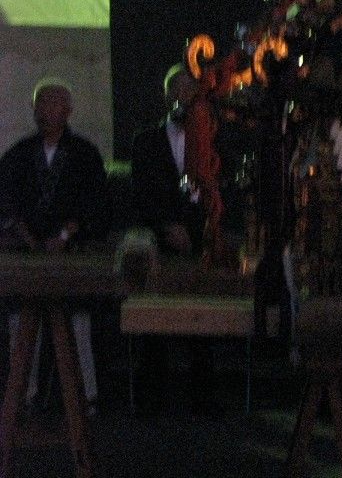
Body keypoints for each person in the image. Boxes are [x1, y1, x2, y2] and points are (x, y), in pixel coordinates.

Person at [0, 78, 109, 413]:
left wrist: (65, 235)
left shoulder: (85, 155)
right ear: (34, 110)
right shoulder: (18, 155)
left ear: (68, 109)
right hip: (28, 253)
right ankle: (24, 394)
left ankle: (84, 395)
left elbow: (95, 204)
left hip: (70, 253)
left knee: (77, 321)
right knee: (20, 320)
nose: (47, 109)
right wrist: (28, 238)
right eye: (42, 103)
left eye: (55, 102)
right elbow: (6, 202)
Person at [129, 65, 221, 416]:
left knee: (204, 318)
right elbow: (143, 192)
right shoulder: (147, 141)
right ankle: (154, 399)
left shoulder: (210, 137)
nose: (185, 97)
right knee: (154, 317)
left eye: (191, 90)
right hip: (160, 240)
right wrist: (167, 225)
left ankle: (203, 397)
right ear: (167, 95)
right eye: (178, 90)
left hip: (201, 240)